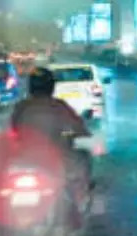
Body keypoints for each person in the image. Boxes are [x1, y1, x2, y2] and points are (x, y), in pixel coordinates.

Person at [9, 67, 91, 204]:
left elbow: (14, 127)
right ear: (51, 86)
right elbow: (79, 128)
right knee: (83, 158)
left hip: (25, 158)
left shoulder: (21, 106)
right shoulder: (59, 106)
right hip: (55, 159)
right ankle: (80, 200)